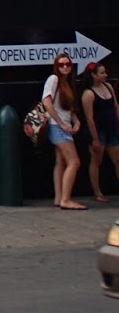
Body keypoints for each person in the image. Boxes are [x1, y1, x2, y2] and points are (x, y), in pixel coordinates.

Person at [44, 51, 86, 210]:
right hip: (57, 126)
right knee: (74, 162)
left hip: (63, 125)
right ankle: (66, 199)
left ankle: (59, 197)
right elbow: (47, 103)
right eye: (61, 64)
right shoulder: (53, 79)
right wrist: (62, 124)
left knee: (61, 162)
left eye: (67, 64)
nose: (65, 67)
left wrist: (75, 122)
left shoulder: (68, 84)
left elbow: (69, 109)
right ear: (56, 66)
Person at [83, 63, 119, 203]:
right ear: (93, 75)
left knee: (117, 159)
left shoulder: (108, 87)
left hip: (112, 129)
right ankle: (98, 192)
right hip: (98, 130)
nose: (106, 75)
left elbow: (115, 106)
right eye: (102, 73)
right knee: (96, 160)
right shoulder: (88, 94)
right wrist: (95, 139)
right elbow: (89, 118)